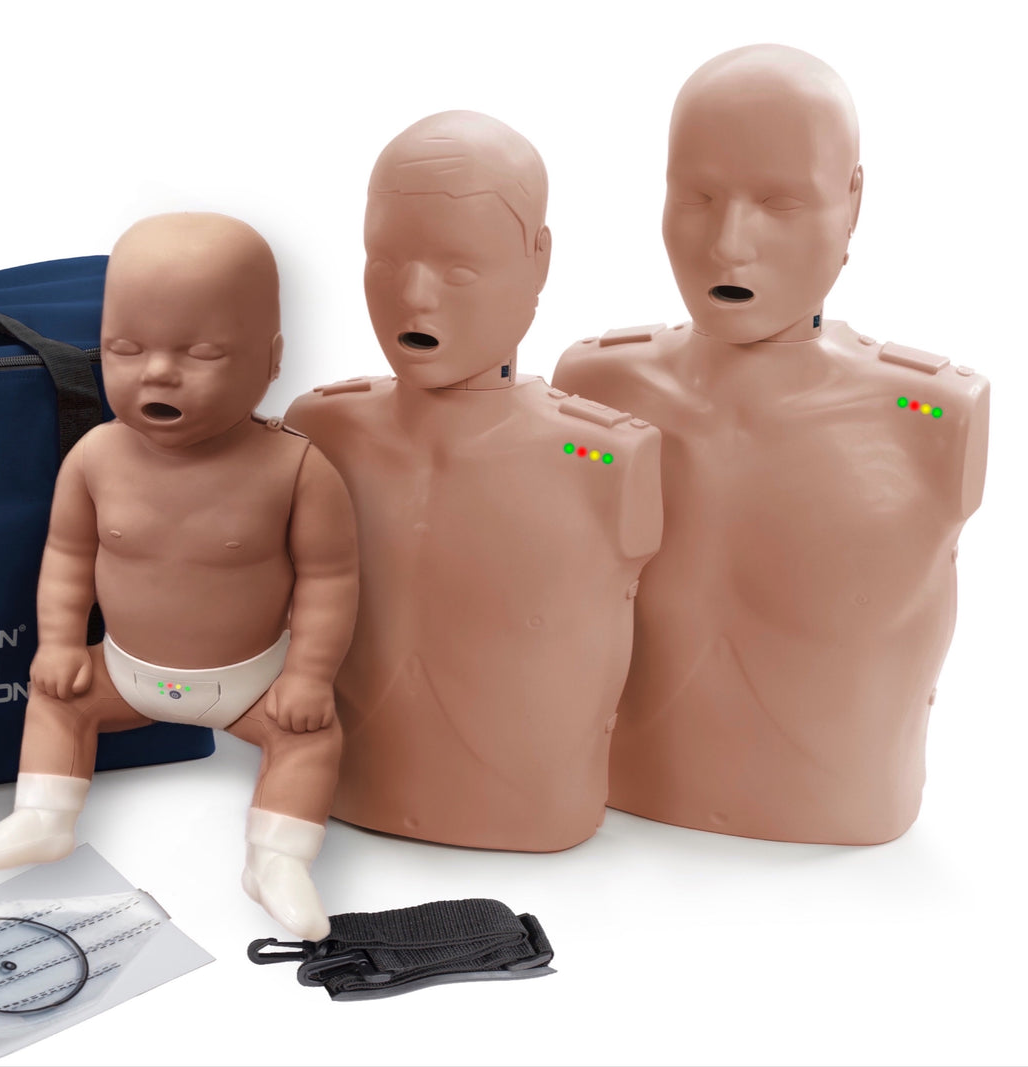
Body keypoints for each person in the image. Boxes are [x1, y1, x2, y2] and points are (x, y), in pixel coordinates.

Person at [553, 45, 990, 844]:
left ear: (853, 203)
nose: (729, 242)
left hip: (843, 860)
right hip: (618, 838)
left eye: (781, 203)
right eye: (697, 194)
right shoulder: (595, 387)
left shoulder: (933, 416)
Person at [0, 212, 358, 940]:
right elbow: (67, 558)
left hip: (252, 683)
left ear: (271, 360)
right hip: (121, 671)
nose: (158, 372)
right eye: (124, 347)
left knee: (313, 736)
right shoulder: (95, 456)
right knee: (55, 698)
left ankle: (276, 857)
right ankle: (43, 815)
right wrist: (57, 642)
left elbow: (329, 581)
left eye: (202, 351)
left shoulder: (296, 468)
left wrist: (307, 675)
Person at [285, 112, 663, 851]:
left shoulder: (608, 459)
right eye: (386, 260)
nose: (415, 296)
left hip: (531, 827)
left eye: (459, 268)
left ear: (538, 261)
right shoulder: (321, 430)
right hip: (332, 813)